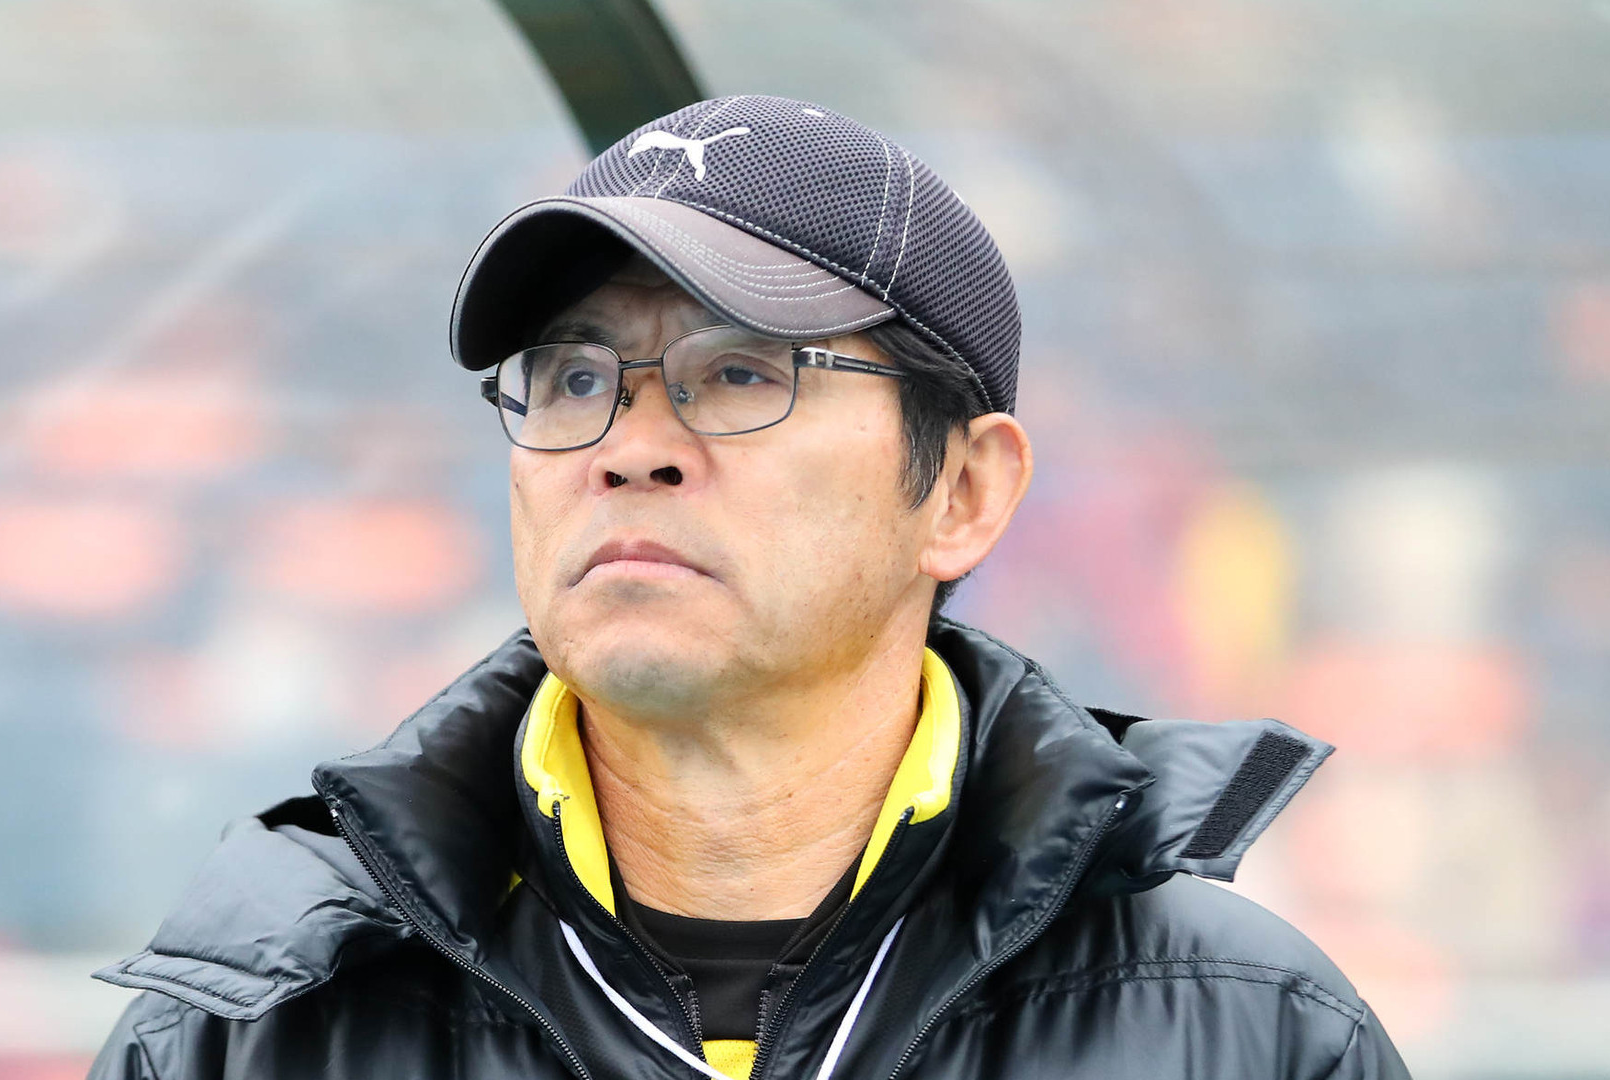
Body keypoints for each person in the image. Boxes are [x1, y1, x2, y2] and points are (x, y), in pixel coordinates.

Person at [88, 96, 1409, 1080]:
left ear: (964, 492)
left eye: (739, 373)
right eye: (575, 378)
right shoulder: (256, 1028)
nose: (629, 448)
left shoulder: (1243, 1031)